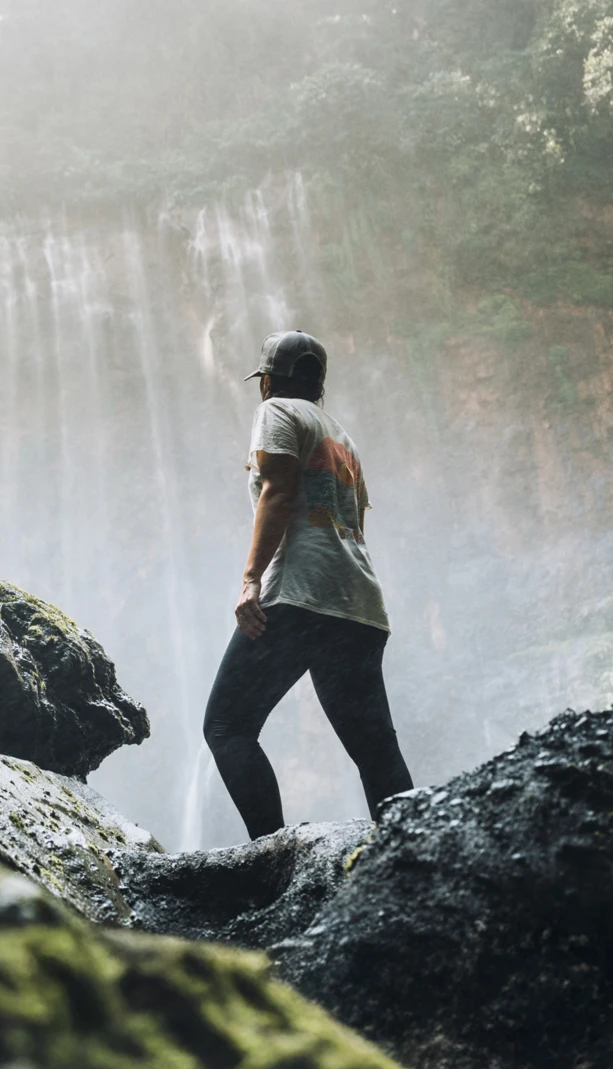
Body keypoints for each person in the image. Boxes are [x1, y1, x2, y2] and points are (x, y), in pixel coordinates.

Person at [203, 329, 414, 840]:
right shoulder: (343, 439)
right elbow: (354, 523)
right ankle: (413, 853)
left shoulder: (276, 412)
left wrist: (251, 580)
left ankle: (271, 855)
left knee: (228, 726)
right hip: (358, 605)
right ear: (318, 384)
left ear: (268, 380)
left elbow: (277, 492)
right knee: (375, 748)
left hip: (299, 597)